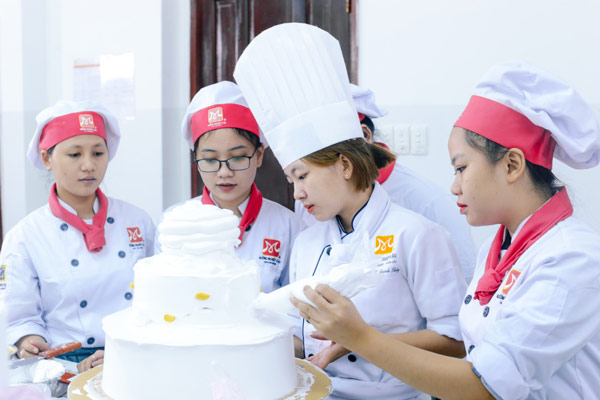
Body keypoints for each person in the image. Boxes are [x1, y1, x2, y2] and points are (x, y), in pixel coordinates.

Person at [291, 61, 600, 400]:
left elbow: (486, 385)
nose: (454, 187)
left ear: (512, 165)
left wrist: (360, 338)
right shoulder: (496, 251)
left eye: (461, 168)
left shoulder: (571, 258)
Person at [234, 22, 467, 400]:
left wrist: (356, 341)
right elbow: (303, 339)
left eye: (302, 176)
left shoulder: (417, 234)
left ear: (344, 164)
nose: (297, 193)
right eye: (291, 180)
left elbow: (454, 339)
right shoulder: (308, 242)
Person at [1, 101, 155, 372]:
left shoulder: (137, 222)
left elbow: (158, 299)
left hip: (132, 357)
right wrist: (29, 340)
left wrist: (126, 352)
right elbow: (19, 318)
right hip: (63, 366)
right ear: (47, 159)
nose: (88, 165)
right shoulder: (25, 237)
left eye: (98, 153)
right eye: (74, 154)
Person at [295, 83, 477, 282]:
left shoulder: (429, 203)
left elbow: (463, 284)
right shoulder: (309, 203)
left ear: (365, 135)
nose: (299, 193)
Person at [170, 81, 298, 293]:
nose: (224, 172)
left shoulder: (288, 226)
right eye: (210, 159)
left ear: (258, 155)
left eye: (237, 157)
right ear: (196, 160)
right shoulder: (176, 224)